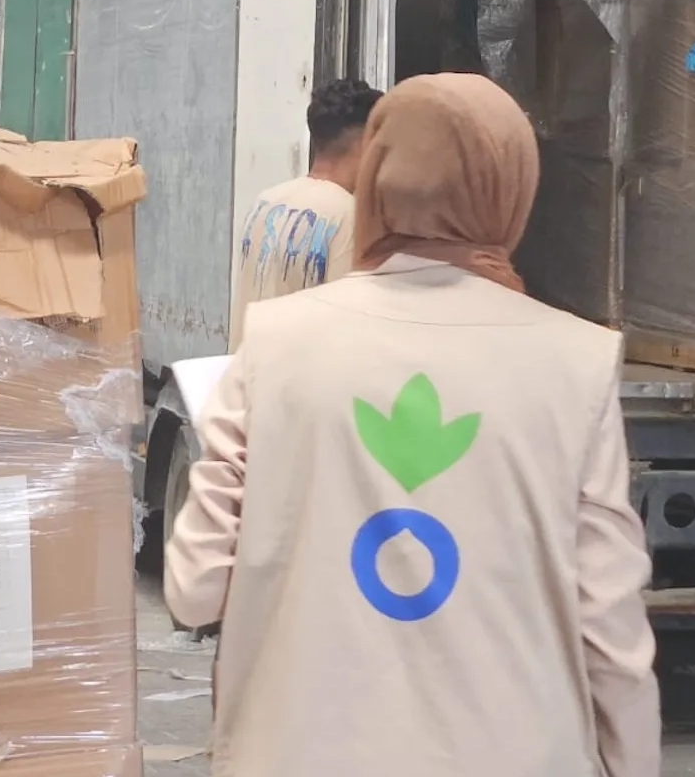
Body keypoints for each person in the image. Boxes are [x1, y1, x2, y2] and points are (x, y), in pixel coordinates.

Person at [166, 73, 661, 777]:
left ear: (377, 179)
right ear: (512, 189)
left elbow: (193, 589)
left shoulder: (272, 342)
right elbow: (611, 638)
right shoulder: (578, 362)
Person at [227, 77, 382, 350]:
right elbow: (346, 333)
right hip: (297, 390)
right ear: (364, 143)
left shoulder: (265, 202)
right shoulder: (350, 215)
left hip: (247, 380)